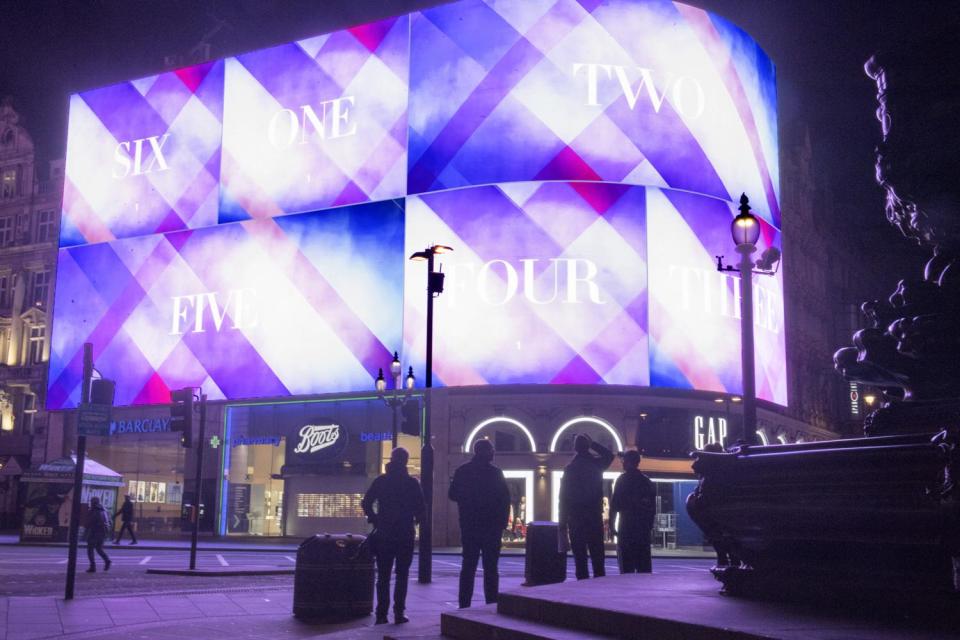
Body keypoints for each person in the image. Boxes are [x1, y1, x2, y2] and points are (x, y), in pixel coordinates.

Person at [361, 447, 425, 625]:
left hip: (385, 532)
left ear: (391, 459)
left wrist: (375, 519)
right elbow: (421, 508)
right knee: (402, 575)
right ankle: (399, 612)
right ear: (405, 461)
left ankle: (381, 614)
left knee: (383, 576)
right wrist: (416, 521)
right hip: (405, 532)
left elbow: (366, 502)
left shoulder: (382, 481)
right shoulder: (411, 483)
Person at [448, 439, 511, 608]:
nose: (493, 453)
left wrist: (467, 499)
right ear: (485, 451)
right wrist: (502, 522)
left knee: (468, 566)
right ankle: (491, 603)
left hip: (470, 524)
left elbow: (452, 494)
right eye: (491, 450)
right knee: (491, 568)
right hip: (491, 526)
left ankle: (464, 604)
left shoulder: (463, 471)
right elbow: (505, 498)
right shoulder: (495, 473)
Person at [559, 433, 614, 580]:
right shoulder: (596, 464)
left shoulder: (570, 469)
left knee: (580, 560)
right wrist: (593, 443)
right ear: (587, 447)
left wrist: (562, 524)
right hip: (594, 516)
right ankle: (599, 592)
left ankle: (581, 592)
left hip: (576, 518)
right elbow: (609, 455)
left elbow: (563, 498)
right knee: (598, 559)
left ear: (575, 448)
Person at [610, 449, 656, 573]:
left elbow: (614, 505)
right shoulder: (647, 482)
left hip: (627, 528)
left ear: (628, 462)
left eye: (623, 460)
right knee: (644, 570)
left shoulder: (622, 480)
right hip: (642, 531)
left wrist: (612, 525)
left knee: (626, 570)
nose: (622, 463)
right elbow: (652, 509)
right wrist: (649, 527)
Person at [84, 496, 111, 573]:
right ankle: (107, 560)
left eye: (91, 501)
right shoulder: (103, 510)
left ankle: (93, 566)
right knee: (99, 548)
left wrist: (86, 527)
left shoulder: (94, 511)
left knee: (90, 549)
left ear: (93, 502)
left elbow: (89, 523)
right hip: (102, 532)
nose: (90, 503)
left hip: (94, 532)